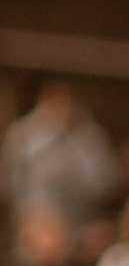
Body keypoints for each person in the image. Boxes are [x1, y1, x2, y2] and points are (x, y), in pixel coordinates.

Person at [1, 80, 120, 251]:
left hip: (77, 221)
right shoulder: (21, 135)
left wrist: (69, 171)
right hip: (30, 219)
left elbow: (106, 184)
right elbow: (7, 184)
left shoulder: (89, 138)